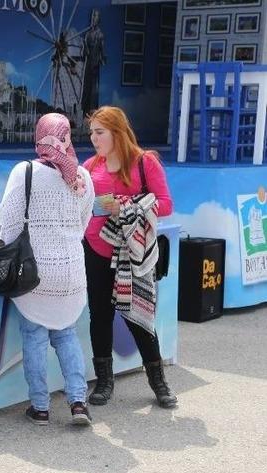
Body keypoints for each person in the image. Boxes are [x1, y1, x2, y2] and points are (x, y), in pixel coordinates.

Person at [0, 113, 95, 426]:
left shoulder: (24, 171)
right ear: (66, 137)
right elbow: (82, 223)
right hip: (72, 272)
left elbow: (8, 223)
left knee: (35, 338)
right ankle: (78, 402)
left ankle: (40, 407)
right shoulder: (81, 176)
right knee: (67, 335)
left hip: (35, 272)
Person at [83, 106, 177, 408]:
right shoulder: (90, 165)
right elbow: (82, 205)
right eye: (92, 133)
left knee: (139, 316)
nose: (94, 139)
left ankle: (159, 382)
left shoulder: (144, 162)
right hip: (95, 249)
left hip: (132, 252)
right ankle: (104, 382)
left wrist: (125, 205)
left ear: (117, 132)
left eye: (100, 132)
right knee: (99, 315)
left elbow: (165, 204)